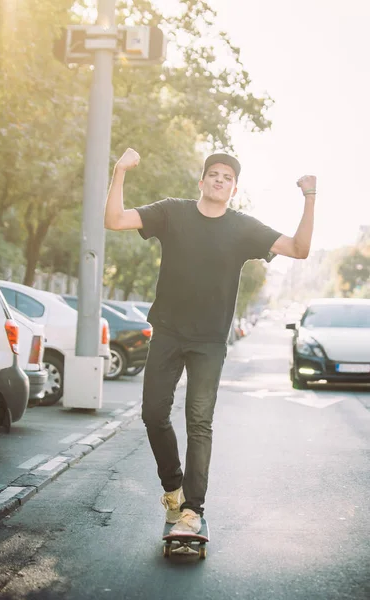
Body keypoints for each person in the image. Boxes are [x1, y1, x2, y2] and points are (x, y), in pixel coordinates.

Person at [104, 148, 316, 534]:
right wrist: (119, 171)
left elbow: (299, 250)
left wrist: (310, 198)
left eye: (227, 177)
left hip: (210, 341)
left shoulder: (243, 228)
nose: (220, 180)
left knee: (199, 421)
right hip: (167, 331)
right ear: (201, 181)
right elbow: (115, 219)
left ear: (233, 189)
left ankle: (192, 510)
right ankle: (173, 487)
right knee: (153, 413)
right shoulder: (172, 212)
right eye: (213, 174)